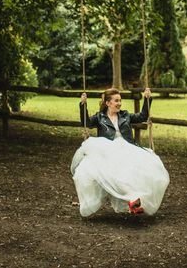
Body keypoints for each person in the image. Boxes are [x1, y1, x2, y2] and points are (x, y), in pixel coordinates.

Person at [70, 87, 170, 217]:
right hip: (107, 149)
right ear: (108, 103)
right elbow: (86, 123)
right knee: (98, 171)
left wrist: (147, 99)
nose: (119, 103)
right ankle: (133, 199)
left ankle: (134, 199)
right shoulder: (100, 118)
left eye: (120, 100)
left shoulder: (125, 115)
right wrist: (83, 105)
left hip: (127, 147)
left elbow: (142, 116)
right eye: (116, 101)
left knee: (144, 167)